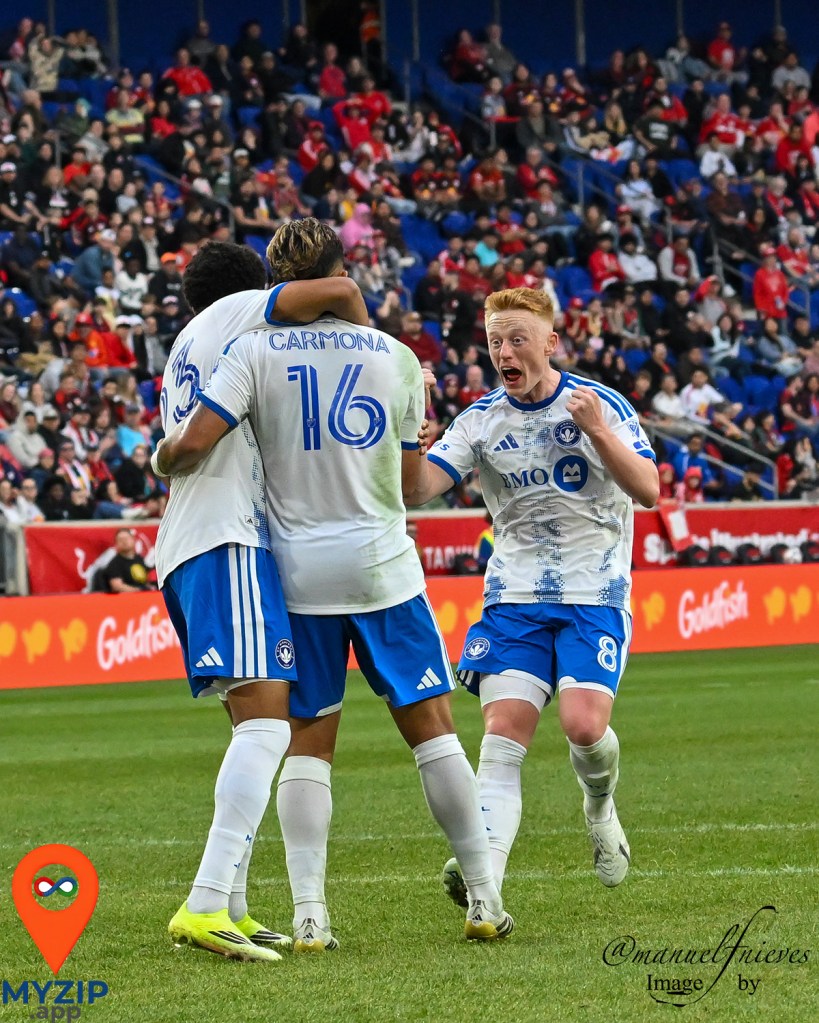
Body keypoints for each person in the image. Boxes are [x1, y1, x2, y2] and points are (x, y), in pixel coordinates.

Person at [155, 219, 513, 950]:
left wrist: (161, 459)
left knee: (305, 741)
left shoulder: (246, 353)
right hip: (380, 562)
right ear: (334, 273)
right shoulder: (396, 357)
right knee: (433, 730)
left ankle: (310, 915)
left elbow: (198, 441)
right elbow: (411, 484)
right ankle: (484, 897)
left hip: (291, 570)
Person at [153, 240, 374, 964]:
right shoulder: (242, 312)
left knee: (251, 724)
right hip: (228, 539)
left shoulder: (186, 345)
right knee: (270, 728)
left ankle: (236, 908)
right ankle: (205, 901)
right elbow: (338, 289)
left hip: (191, 541)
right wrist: (373, 359)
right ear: (259, 288)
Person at [403, 287, 659, 908]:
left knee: (583, 727)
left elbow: (648, 490)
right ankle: (485, 892)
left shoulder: (599, 404)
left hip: (594, 591)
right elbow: (417, 490)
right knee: (501, 738)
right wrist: (409, 432)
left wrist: (597, 431)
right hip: (513, 595)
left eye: (517, 338)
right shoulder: (481, 419)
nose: (504, 352)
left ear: (550, 342)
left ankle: (599, 807)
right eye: (495, 341)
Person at [100, 526, 155, 592]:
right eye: (120, 540)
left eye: (127, 538)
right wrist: (139, 590)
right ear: (116, 544)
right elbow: (117, 587)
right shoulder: (114, 564)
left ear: (133, 540)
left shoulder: (139, 559)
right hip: (126, 597)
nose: (124, 542)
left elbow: (146, 579)